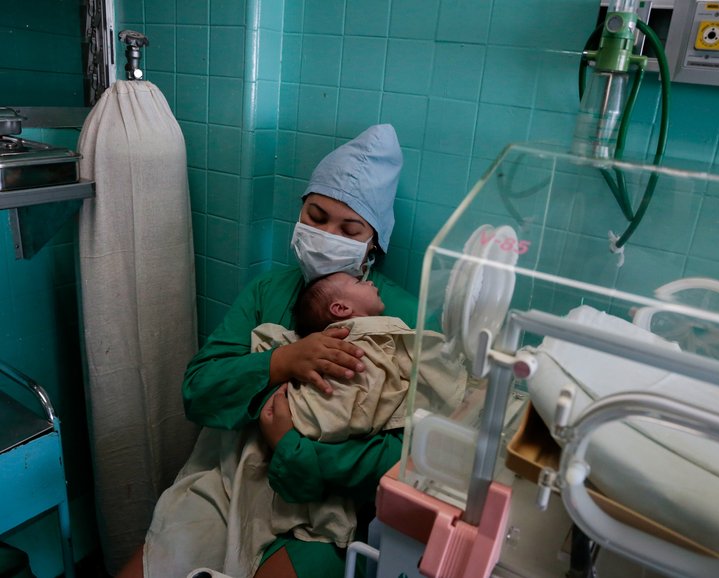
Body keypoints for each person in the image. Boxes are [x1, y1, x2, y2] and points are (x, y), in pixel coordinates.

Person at [115, 124, 422, 578]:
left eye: (349, 228)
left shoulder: (401, 319)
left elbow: (403, 457)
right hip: (226, 482)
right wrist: (279, 362)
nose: (326, 234)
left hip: (319, 506)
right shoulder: (267, 291)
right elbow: (198, 391)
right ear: (300, 210)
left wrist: (295, 449)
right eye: (316, 217)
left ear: (374, 241)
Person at [248, 271, 466, 558]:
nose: (371, 283)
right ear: (341, 309)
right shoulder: (360, 333)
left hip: (325, 459)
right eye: (360, 284)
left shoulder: (387, 321)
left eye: (350, 230)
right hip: (309, 427)